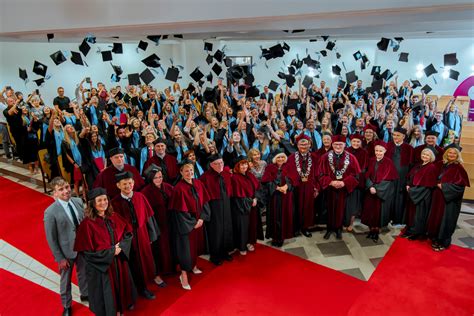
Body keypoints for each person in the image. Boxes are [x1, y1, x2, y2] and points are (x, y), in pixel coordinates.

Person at [74, 188, 137, 315]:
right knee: (107, 295)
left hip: (118, 263)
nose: (103, 203)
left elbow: (128, 234)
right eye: (99, 200)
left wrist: (121, 247)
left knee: (121, 290)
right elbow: (87, 253)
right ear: (92, 203)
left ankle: (120, 311)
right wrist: (111, 252)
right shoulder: (87, 224)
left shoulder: (114, 216)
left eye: (105, 199)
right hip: (102, 268)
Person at [44, 177, 88, 316]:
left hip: (82, 247)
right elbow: (51, 238)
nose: (66, 191)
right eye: (61, 189)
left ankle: (85, 294)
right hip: (66, 252)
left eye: (67, 187)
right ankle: (67, 305)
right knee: (66, 280)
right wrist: (60, 258)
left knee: (83, 272)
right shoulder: (50, 212)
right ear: (55, 193)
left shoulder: (78, 201)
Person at [111, 171, 158, 300]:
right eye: (124, 184)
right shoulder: (114, 203)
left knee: (145, 262)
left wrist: (151, 235)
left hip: (142, 236)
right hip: (127, 239)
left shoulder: (140, 197)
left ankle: (144, 287)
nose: (128, 186)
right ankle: (133, 291)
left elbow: (148, 218)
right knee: (131, 264)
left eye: (130, 183)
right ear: (118, 185)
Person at [169, 160, 211, 290]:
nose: (189, 173)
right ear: (181, 172)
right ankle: (184, 275)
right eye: (186, 171)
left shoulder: (198, 183)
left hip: (198, 222)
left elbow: (205, 202)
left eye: (191, 170)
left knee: (195, 247)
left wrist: (202, 218)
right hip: (185, 226)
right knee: (185, 250)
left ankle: (193, 265)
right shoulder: (178, 189)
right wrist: (193, 223)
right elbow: (179, 212)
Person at [427, 147, 470, 251]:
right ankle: (435, 238)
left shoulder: (459, 168)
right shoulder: (442, 164)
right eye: (449, 153)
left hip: (449, 200)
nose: (451, 155)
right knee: (436, 218)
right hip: (438, 197)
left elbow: (460, 187)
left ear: (457, 155)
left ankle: (444, 242)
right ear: (446, 154)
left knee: (446, 220)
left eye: (454, 153)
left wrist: (444, 187)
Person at [318, 135, 360, 240]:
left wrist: (344, 183)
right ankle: (329, 229)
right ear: (332, 144)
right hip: (330, 189)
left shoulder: (351, 158)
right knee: (329, 208)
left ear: (345, 145)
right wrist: (330, 182)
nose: (338, 146)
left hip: (344, 190)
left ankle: (338, 229)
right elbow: (320, 174)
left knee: (341, 209)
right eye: (335, 144)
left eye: (340, 144)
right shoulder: (325, 157)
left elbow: (356, 175)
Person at [141, 165, 175, 284]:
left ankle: (172, 268)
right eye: (156, 178)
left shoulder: (168, 187)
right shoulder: (145, 192)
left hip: (170, 222)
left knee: (171, 246)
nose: (159, 180)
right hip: (157, 225)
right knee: (160, 248)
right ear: (150, 178)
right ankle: (161, 271)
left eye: (160, 177)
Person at [199, 154, 234, 265]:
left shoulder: (226, 174)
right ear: (211, 165)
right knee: (216, 231)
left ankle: (225, 252)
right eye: (217, 164)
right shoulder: (205, 177)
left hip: (226, 204)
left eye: (221, 163)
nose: (220, 165)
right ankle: (215, 256)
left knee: (227, 228)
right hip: (214, 206)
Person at [361, 141, 398, 242]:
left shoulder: (389, 162)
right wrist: (370, 187)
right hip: (371, 191)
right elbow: (367, 175)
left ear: (385, 151)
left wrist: (376, 189)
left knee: (379, 213)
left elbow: (388, 180)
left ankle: (376, 231)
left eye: (380, 151)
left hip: (382, 192)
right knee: (370, 211)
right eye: (376, 150)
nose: (378, 153)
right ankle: (371, 230)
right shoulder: (371, 160)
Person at [286, 134, 319, 237]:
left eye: (306, 144)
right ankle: (295, 228)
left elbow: (318, 173)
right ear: (297, 145)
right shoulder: (291, 158)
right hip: (296, 187)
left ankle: (305, 228)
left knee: (307, 207)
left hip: (309, 187)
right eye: (301, 144)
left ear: (310, 145)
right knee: (295, 207)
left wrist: (316, 187)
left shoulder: (314, 157)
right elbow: (287, 173)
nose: (304, 146)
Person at [401, 148, 438, 240]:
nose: (424, 156)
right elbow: (411, 177)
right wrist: (408, 185)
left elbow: (429, 184)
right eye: (423, 154)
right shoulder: (418, 165)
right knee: (411, 213)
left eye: (427, 155)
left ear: (431, 157)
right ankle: (410, 229)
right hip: (413, 192)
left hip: (422, 195)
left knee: (419, 214)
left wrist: (413, 191)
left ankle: (417, 233)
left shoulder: (431, 167)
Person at [261, 150, 294, 247]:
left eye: (282, 157)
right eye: (278, 157)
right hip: (274, 196)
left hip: (285, 196)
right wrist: (278, 188)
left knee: (284, 215)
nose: (280, 159)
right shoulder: (270, 167)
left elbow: (292, 179)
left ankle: (282, 236)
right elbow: (266, 181)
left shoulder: (288, 166)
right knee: (274, 216)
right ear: (275, 159)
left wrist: (286, 187)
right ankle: (275, 237)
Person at [230, 156, 260, 255]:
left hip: (252, 204)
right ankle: (241, 246)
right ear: (237, 166)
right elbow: (238, 196)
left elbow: (256, 188)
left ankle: (248, 242)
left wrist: (255, 198)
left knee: (250, 225)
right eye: (241, 164)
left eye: (245, 164)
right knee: (242, 227)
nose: (244, 166)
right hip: (241, 207)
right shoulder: (234, 178)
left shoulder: (250, 175)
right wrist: (250, 201)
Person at [385, 127, 413, 226]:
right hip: (389, 178)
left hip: (402, 178)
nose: (395, 137)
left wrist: (408, 181)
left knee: (400, 199)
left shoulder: (409, 148)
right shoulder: (388, 145)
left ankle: (397, 219)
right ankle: (386, 218)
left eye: (398, 135)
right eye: (394, 135)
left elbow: (411, 166)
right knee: (389, 198)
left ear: (403, 136)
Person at [345, 134, 369, 232]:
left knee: (354, 204)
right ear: (350, 142)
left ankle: (351, 223)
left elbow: (363, 167)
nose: (356, 143)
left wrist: (354, 177)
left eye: (358, 142)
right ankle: (344, 222)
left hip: (357, 181)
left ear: (361, 142)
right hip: (346, 180)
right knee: (345, 203)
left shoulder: (364, 153)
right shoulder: (346, 151)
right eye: (354, 141)